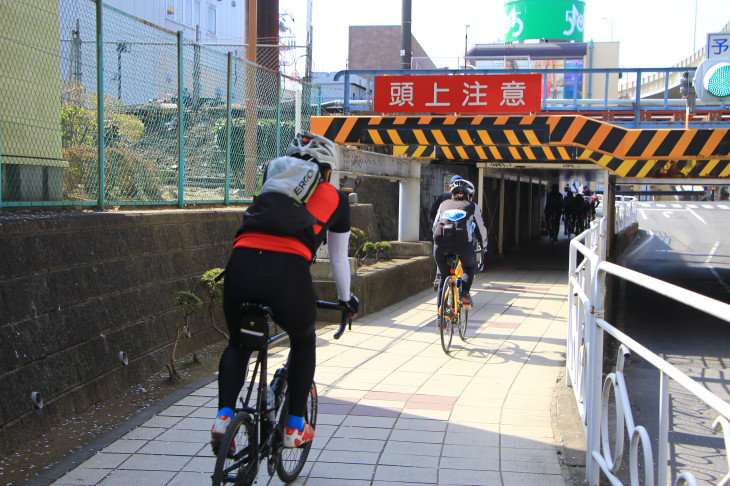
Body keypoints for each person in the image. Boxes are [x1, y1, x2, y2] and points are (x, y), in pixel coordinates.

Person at [211, 131, 360, 453]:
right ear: (327, 170)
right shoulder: (335, 197)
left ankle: (224, 417)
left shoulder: (272, 182)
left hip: (241, 264)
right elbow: (337, 256)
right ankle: (294, 425)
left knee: (238, 343)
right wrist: (346, 299)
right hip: (287, 273)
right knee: (304, 340)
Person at [432, 179, 487, 315]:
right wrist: (484, 244)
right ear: (470, 195)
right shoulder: (472, 206)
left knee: (444, 277)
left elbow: (435, 226)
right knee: (469, 267)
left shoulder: (443, 204)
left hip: (440, 245)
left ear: (453, 194)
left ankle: (440, 317)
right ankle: (464, 293)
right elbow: (481, 229)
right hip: (463, 245)